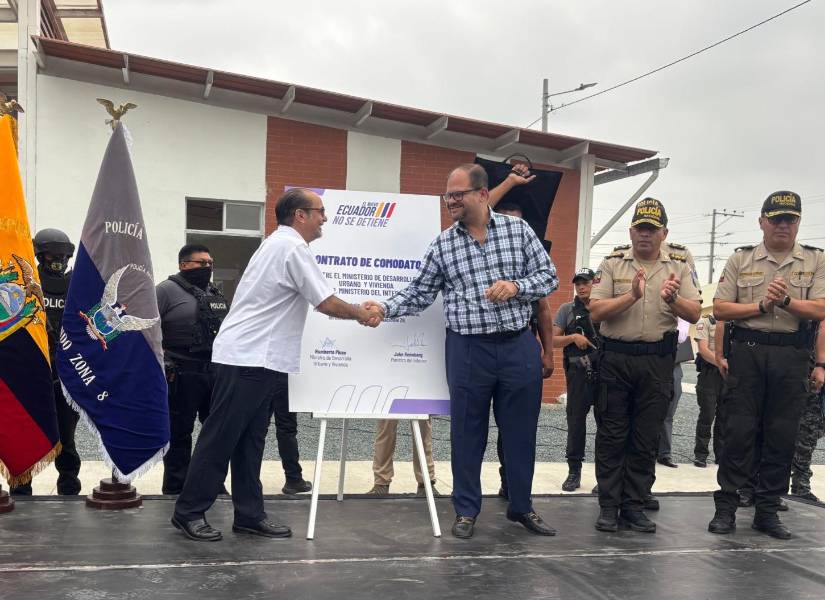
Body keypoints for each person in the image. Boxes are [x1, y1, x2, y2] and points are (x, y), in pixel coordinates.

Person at [171, 188, 380, 541]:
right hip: (248, 357)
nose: (324, 218)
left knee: (250, 441)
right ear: (300, 214)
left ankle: (249, 514)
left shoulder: (278, 245)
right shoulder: (291, 247)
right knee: (221, 438)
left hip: (259, 359)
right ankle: (188, 511)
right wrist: (361, 312)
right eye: (319, 211)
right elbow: (325, 302)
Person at [364, 163, 558, 539]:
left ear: (482, 194)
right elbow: (420, 292)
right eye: (447, 196)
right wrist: (384, 309)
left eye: (457, 194)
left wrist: (516, 286)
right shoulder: (443, 245)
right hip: (468, 350)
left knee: (520, 433)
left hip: (518, 345)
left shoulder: (519, 231)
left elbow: (549, 276)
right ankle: (466, 510)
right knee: (467, 434)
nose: (450, 201)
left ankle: (521, 506)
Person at [708, 191, 825, 540]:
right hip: (748, 352)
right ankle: (726, 508)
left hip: (792, 357)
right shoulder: (741, 259)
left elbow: (821, 309)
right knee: (738, 433)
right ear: (762, 222)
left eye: (789, 219)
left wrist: (786, 301)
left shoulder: (816, 260)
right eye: (775, 219)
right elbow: (721, 308)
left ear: (798, 222)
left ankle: (768, 510)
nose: (782, 225)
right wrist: (760, 306)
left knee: (781, 435)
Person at [589, 197, 701, 534]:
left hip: (656, 361)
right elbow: (596, 312)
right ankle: (609, 506)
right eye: (640, 228)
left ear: (664, 233)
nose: (645, 235)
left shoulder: (679, 266)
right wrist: (632, 296)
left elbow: (695, 313)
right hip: (616, 359)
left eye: (652, 229)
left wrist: (673, 299)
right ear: (631, 231)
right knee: (612, 435)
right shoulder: (612, 263)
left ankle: (634, 506)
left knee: (645, 436)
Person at [490, 200, 554, 501]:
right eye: (506, 220)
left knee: (515, 426)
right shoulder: (482, 255)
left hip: (520, 349)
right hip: (481, 352)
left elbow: (543, 310)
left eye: (518, 221)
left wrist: (548, 353)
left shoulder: (529, 264)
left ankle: (513, 486)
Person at [156, 244, 231, 495]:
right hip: (181, 372)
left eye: (210, 263)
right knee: (179, 433)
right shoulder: (165, 291)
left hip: (214, 371)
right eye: (201, 263)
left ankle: (212, 484)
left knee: (216, 432)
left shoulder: (214, 292)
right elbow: (147, 329)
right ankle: (176, 487)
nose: (207, 267)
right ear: (184, 265)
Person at [11, 229, 81, 496]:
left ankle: (69, 485)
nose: (58, 260)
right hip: (30, 372)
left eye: (63, 255)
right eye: (53, 255)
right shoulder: (25, 285)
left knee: (67, 437)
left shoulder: (77, 286)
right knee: (25, 432)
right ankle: (21, 486)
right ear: (40, 255)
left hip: (66, 373)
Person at [552, 268, 599, 492]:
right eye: (578, 283)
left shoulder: (605, 307)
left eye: (586, 283)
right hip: (578, 373)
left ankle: (605, 476)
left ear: (595, 284)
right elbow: (553, 340)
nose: (581, 287)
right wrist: (573, 337)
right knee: (576, 423)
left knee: (608, 425)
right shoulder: (567, 309)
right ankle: (574, 472)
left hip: (605, 372)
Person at [789, 320, 825, 501]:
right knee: (802, 433)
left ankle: (800, 486)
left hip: (816, 385)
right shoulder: (814, 320)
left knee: (811, 434)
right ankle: (797, 486)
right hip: (807, 379)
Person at [657, 322, 694, 469]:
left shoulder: (680, 315)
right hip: (652, 359)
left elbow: (681, 336)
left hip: (673, 362)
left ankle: (664, 453)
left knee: (668, 412)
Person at [692, 313, 724, 468]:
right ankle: (701, 454)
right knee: (707, 414)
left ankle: (721, 455)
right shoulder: (706, 321)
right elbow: (703, 350)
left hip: (728, 374)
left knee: (725, 417)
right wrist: (721, 363)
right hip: (710, 373)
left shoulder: (736, 321)